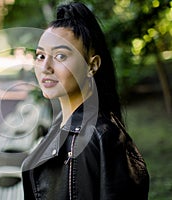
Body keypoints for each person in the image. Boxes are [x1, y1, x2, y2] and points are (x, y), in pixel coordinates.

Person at [22, 1, 149, 199]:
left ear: (92, 65)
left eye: (60, 55)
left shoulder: (98, 137)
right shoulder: (64, 124)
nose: (45, 66)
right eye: (40, 55)